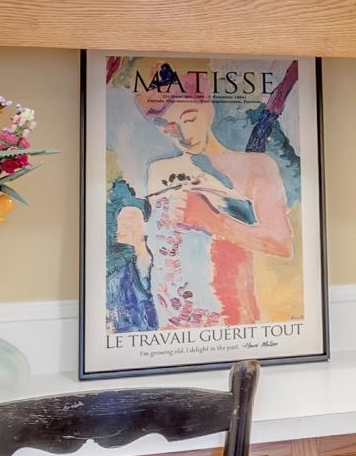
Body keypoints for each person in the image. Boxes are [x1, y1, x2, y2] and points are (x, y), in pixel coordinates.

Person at [112, 67, 294, 328]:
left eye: (188, 118)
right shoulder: (159, 171)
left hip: (229, 317)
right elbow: (159, 255)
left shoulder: (258, 166)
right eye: (166, 126)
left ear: (208, 108)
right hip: (169, 321)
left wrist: (212, 220)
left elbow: (281, 244)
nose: (182, 135)